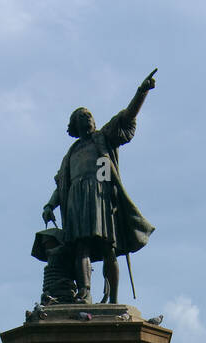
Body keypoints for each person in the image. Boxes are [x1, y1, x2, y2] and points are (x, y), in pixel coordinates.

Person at [42, 70, 157, 304]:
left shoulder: (103, 138)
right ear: (74, 125)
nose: (87, 118)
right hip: (75, 201)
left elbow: (126, 117)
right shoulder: (71, 153)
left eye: (89, 115)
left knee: (108, 248)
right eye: (81, 116)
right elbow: (62, 183)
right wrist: (50, 204)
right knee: (80, 247)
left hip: (100, 198)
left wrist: (141, 92)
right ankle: (85, 294)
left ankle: (113, 300)